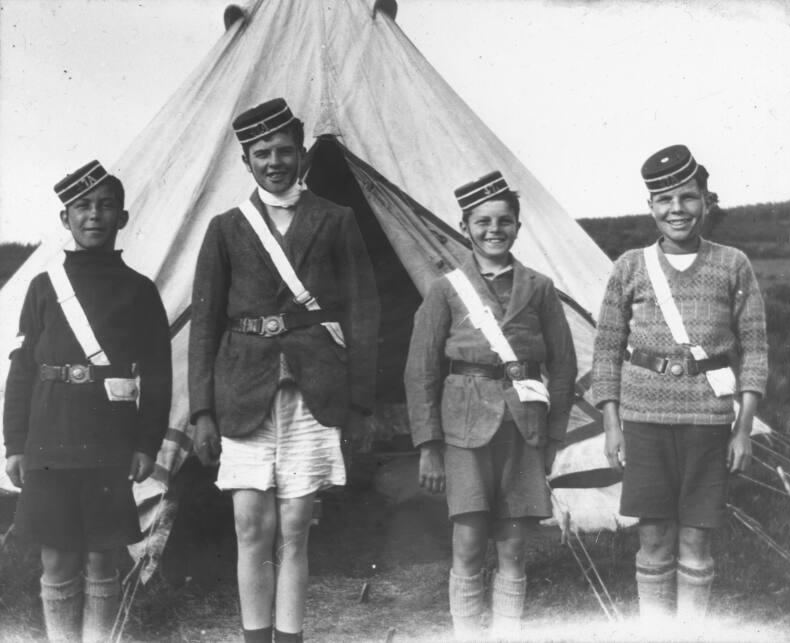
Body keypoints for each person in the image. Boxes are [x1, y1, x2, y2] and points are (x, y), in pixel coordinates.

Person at [189, 98, 379, 643]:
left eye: (285, 150)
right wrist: (202, 410)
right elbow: (204, 326)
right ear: (246, 161)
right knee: (252, 528)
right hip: (243, 393)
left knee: (294, 531)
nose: (275, 161)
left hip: (313, 392)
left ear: (302, 155)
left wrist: (361, 403)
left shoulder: (336, 220)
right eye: (262, 152)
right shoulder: (225, 228)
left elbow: (364, 312)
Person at [592, 145, 768, 623]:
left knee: (696, 538)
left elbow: (754, 351)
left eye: (687, 197)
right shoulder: (629, 266)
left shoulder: (734, 264)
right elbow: (606, 350)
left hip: (709, 422)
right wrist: (612, 425)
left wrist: (742, 428)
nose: (677, 210)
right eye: (664, 200)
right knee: (654, 538)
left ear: (706, 201)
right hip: (644, 421)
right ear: (651, 207)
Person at [3, 160, 172, 642]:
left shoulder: (139, 290)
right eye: (82, 207)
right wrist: (15, 442)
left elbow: (158, 375)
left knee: (102, 554)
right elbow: (21, 371)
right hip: (49, 439)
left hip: (108, 439)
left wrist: (147, 443)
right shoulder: (43, 287)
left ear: (122, 217)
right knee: (56, 556)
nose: (93, 215)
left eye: (105, 206)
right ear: (65, 219)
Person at [404, 171, 577, 639]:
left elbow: (563, 366)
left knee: (515, 545)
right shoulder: (445, 289)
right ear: (465, 227)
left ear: (518, 227)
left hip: (525, 428)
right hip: (463, 428)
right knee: (468, 539)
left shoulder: (539, 287)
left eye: (504, 220)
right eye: (482, 222)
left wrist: (554, 436)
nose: (493, 230)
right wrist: (428, 445)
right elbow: (420, 370)